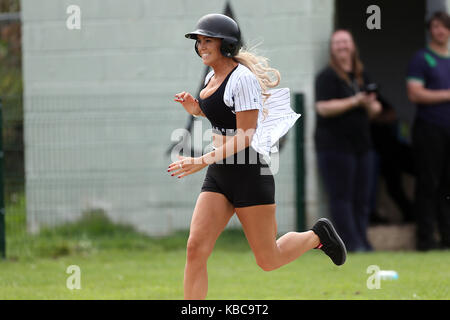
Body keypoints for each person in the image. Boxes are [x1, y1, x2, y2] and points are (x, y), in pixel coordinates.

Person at [167, 13, 347, 300]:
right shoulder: (214, 76)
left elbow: (246, 135)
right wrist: (195, 109)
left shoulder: (243, 79)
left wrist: (201, 159)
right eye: (199, 41)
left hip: (249, 173)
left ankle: (317, 237)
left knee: (268, 259)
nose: (201, 46)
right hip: (220, 175)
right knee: (195, 248)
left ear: (225, 44)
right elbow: (219, 112)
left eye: (207, 40)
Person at [314, 29, 382, 252]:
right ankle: (349, 244)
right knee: (341, 197)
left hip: (362, 145)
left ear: (352, 46)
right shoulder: (327, 76)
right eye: (337, 43)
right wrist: (355, 101)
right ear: (332, 48)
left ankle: (362, 241)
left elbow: (376, 109)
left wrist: (369, 104)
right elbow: (322, 108)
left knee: (362, 198)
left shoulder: (362, 75)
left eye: (345, 42)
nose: (342, 46)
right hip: (335, 147)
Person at [406, 11, 450, 251]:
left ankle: (447, 238)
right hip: (429, 130)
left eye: (443, 27)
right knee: (428, 183)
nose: (439, 31)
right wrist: (447, 94)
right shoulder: (421, 58)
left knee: (447, 186)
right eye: (435, 27)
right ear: (430, 30)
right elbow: (414, 92)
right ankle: (425, 240)